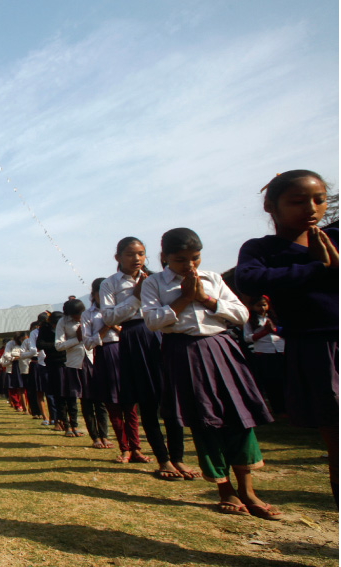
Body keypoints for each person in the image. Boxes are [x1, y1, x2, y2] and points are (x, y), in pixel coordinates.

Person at [143, 228, 278, 518]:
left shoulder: (214, 279)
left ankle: (248, 489)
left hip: (221, 348)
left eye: (195, 258)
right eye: (181, 260)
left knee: (239, 417)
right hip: (183, 353)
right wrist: (183, 299)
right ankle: (224, 489)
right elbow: (153, 322)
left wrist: (205, 299)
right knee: (205, 421)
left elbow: (240, 314)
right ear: (165, 257)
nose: (190, 266)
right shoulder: (154, 283)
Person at [235, 169, 338, 502]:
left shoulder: (334, 236)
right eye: (297, 201)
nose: (311, 208)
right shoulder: (262, 251)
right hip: (315, 345)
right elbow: (249, 280)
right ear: (271, 206)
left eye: (319, 200)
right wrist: (316, 268)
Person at [100, 237, 192, 479]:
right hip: (133, 338)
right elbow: (109, 319)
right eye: (130, 254)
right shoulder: (110, 284)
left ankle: (178, 458)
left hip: (162, 335)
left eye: (141, 253)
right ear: (118, 257)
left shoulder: (158, 278)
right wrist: (136, 298)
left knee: (171, 400)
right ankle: (163, 460)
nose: (137, 259)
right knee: (147, 402)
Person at [78, 288, 112, 450]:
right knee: (87, 401)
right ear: (93, 296)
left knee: (101, 402)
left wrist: (113, 325)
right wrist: (105, 328)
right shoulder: (88, 315)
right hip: (82, 362)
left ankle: (104, 435)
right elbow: (87, 342)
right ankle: (95, 436)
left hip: (102, 359)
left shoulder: (116, 309)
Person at [242, 295, 286, 414]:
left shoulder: (274, 317)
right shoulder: (250, 320)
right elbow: (247, 338)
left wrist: (274, 330)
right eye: (259, 305)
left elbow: (287, 332)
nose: (262, 308)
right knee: (271, 382)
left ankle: (290, 407)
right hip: (264, 353)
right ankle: (278, 409)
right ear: (252, 306)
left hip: (280, 350)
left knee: (285, 380)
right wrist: (264, 332)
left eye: (264, 305)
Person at [54, 304, 86, 437]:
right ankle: (69, 426)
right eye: (76, 315)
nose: (79, 318)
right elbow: (59, 345)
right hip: (70, 363)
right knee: (69, 397)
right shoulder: (63, 322)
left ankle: (95, 432)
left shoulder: (87, 317)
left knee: (91, 398)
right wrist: (77, 339)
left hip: (89, 360)